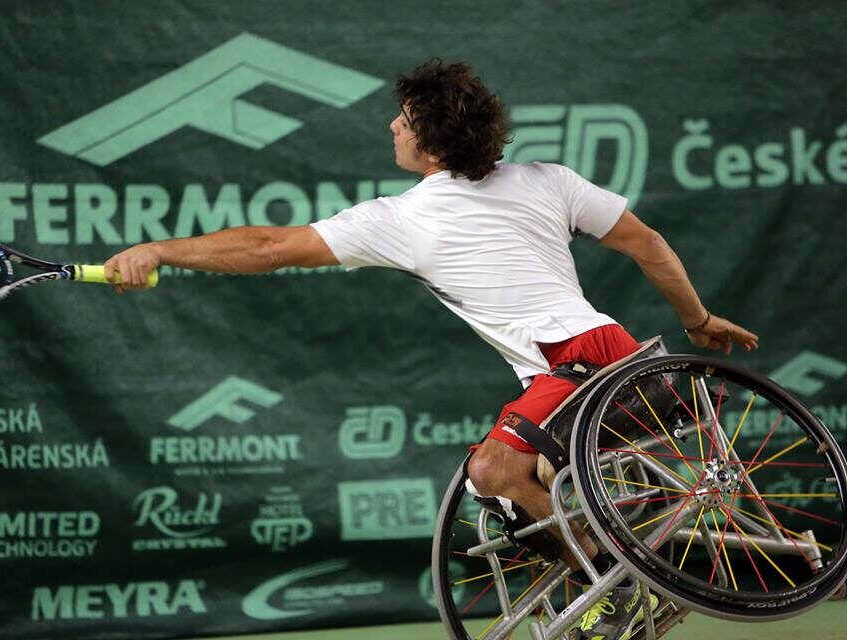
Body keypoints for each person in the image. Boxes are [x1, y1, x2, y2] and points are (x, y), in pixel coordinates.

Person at [104, 59, 758, 640]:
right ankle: (603, 575)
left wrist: (161, 250)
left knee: (493, 472)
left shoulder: (403, 219)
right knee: (524, 484)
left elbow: (270, 247)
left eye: (406, 118)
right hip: (625, 361)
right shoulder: (549, 180)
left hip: (578, 363)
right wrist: (697, 320)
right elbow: (647, 244)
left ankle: (611, 583)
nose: (393, 125)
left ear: (434, 142)